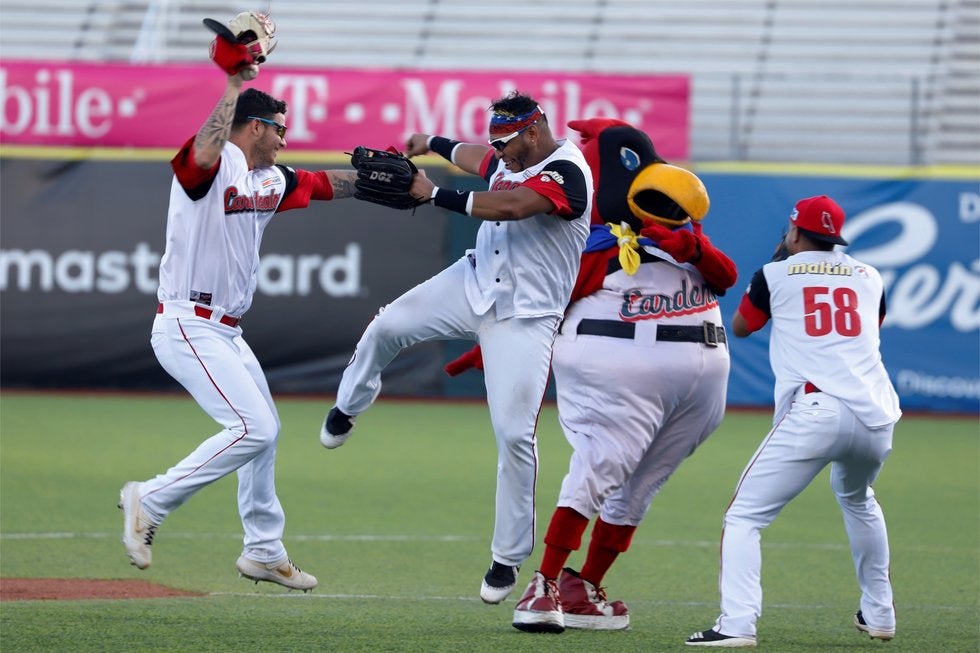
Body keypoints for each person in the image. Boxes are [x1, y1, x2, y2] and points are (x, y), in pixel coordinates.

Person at [319, 91, 593, 604]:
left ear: (533, 132)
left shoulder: (567, 171)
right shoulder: (510, 154)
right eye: (497, 142)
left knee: (514, 436)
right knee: (387, 327)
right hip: (473, 283)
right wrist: (430, 142)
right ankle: (347, 408)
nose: (499, 152)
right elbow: (478, 157)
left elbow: (513, 205)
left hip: (525, 317)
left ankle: (507, 558)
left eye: (507, 142)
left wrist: (434, 193)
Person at [119, 46, 360, 592]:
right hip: (186, 321)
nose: (284, 139)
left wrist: (374, 181)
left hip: (226, 329)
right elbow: (199, 156)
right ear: (253, 127)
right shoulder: (214, 162)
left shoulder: (268, 178)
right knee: (254, 427)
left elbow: (320, 184)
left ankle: (263, 549)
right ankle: (149, 499)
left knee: (264, 435)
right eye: (277, 129)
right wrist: (232, 84)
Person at [498, 118, 738, 633]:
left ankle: (582, 585)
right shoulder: (593, 240)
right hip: (620, 360)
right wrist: (491, 352)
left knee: (640, 488)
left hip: (701, 376)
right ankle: (541, 584)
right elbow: (552, 300)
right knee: (596, 469)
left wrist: (690, 246)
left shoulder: (685, 237)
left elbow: (725, 277)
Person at [685, 195, 901, 647]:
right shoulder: (870, 276)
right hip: (877, 415)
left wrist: (775, 275)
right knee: (860, 501)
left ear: (797, 232)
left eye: (790, 231)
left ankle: (737, 624)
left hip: (817, 410)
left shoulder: (775, 273)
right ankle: (880, 614)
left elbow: (743, 327)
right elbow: (866, 329)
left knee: (744, 516)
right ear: (835, 238)